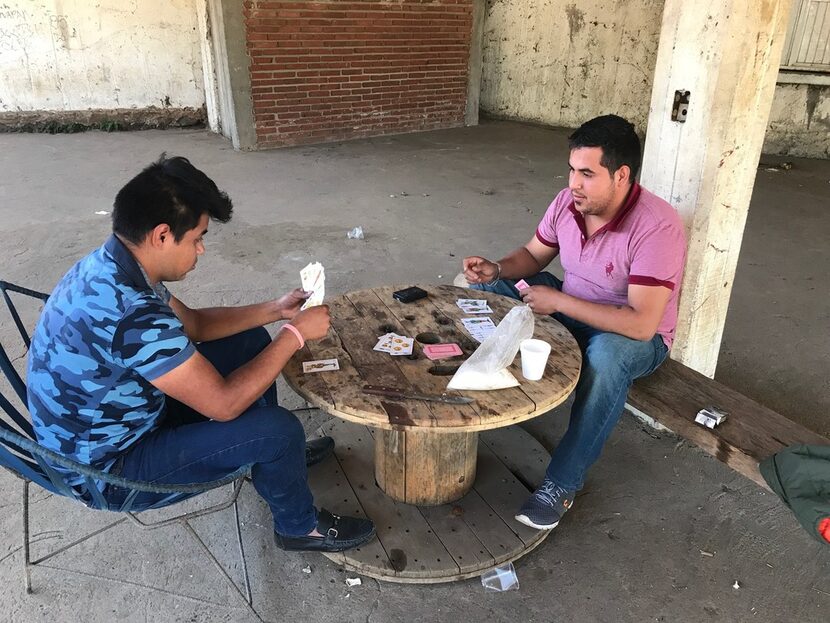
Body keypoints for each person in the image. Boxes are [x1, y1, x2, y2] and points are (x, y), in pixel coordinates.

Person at [27, 154, 375, 552]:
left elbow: (194, 325)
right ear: (161, 235)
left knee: (250, 343)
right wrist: (294, 334)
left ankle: (274, 463)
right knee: (280, 430)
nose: (202, 250)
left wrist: (276, 310)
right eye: (197, 238)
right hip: (107, 470)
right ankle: (298, 526)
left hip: (115, 420)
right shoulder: (133, 313)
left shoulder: (114, 265)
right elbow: (224, 405)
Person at [462, 115, 687, 531]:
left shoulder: (657, 226)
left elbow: (640, 325)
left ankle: (561, 484)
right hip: (570, 304)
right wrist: (496, 269)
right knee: (487, 292)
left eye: (587, 174)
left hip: (631, 336)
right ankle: (478, 395)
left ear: (621, 175)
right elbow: (532, 257)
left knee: (605, 357)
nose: (574, 184)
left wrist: (559, 300)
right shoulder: (569, 203)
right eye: (571, 170)